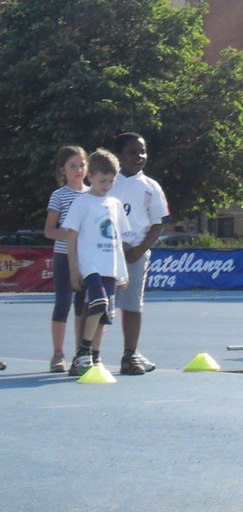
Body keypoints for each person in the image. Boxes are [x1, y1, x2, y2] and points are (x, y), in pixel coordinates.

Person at [109, 132, 171, 375]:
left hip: (135, 254)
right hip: (106, 253)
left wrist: (138, 250)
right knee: (96, 304)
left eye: (142, 151)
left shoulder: (151, 187)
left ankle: (130, 354)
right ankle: (88, 354)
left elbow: (158, 223)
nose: (139, 156)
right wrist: (115, 245)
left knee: (133, 306)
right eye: (132, 152)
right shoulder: (107, 182)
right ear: (119, 156)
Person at [65, 148, 129, 377]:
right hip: (89, 264)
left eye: (111, 181)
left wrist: (123, 272)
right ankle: (83, 351)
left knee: (105, 315)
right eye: (102, 180)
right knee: (98, 303)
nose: (107, 185)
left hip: (109, 267)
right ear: (90, 176)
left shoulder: (115, 204)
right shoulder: (82, 203)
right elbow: (71, 236)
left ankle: (94, 355)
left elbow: (118, 239)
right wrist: (74, 269)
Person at [43, 145, 89, 372]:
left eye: (81, 164)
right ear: (63, 169)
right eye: (73, 165)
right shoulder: (59, 195)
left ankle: (80, 353)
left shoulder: (94, 194)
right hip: (63, 257)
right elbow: (49, 231)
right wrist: (71, 235)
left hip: (87, 259)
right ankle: (57, 354)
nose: (78, 169)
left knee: (84, 305)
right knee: (63, 302)